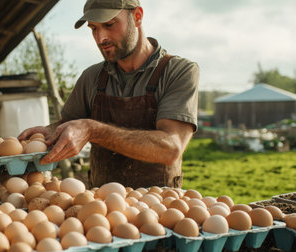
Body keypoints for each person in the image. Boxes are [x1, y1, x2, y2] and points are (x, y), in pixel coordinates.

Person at [19, 0, 199, 189]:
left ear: (137, 17)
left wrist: (93, 130)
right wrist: (51, 131)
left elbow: (170, 148)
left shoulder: (178, 72)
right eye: (93, 29)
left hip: (158, 209)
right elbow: (69, 124)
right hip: (99, 210)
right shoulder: (92, 77)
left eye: (109, 25)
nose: (100, 38)